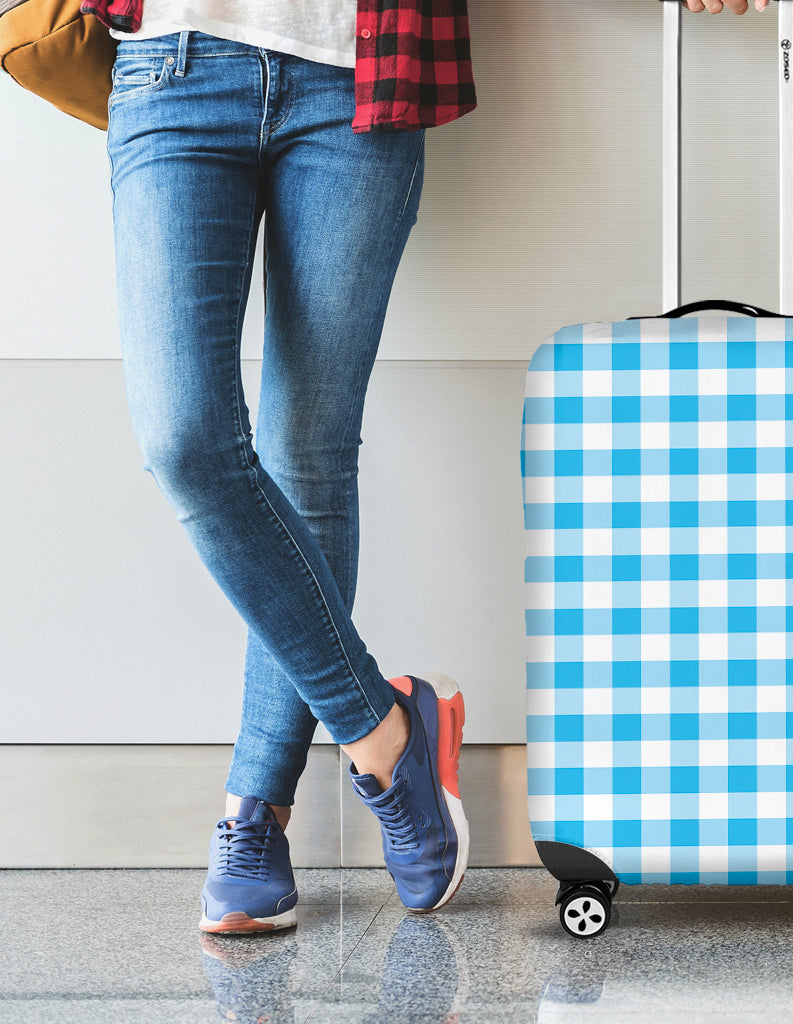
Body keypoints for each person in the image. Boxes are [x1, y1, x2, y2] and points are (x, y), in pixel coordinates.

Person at [85, 0, 476, 933]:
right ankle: (386, 730)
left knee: (308, 456)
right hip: (173, 69)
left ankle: (255, 814)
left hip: (358, 78)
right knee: (184, 441)